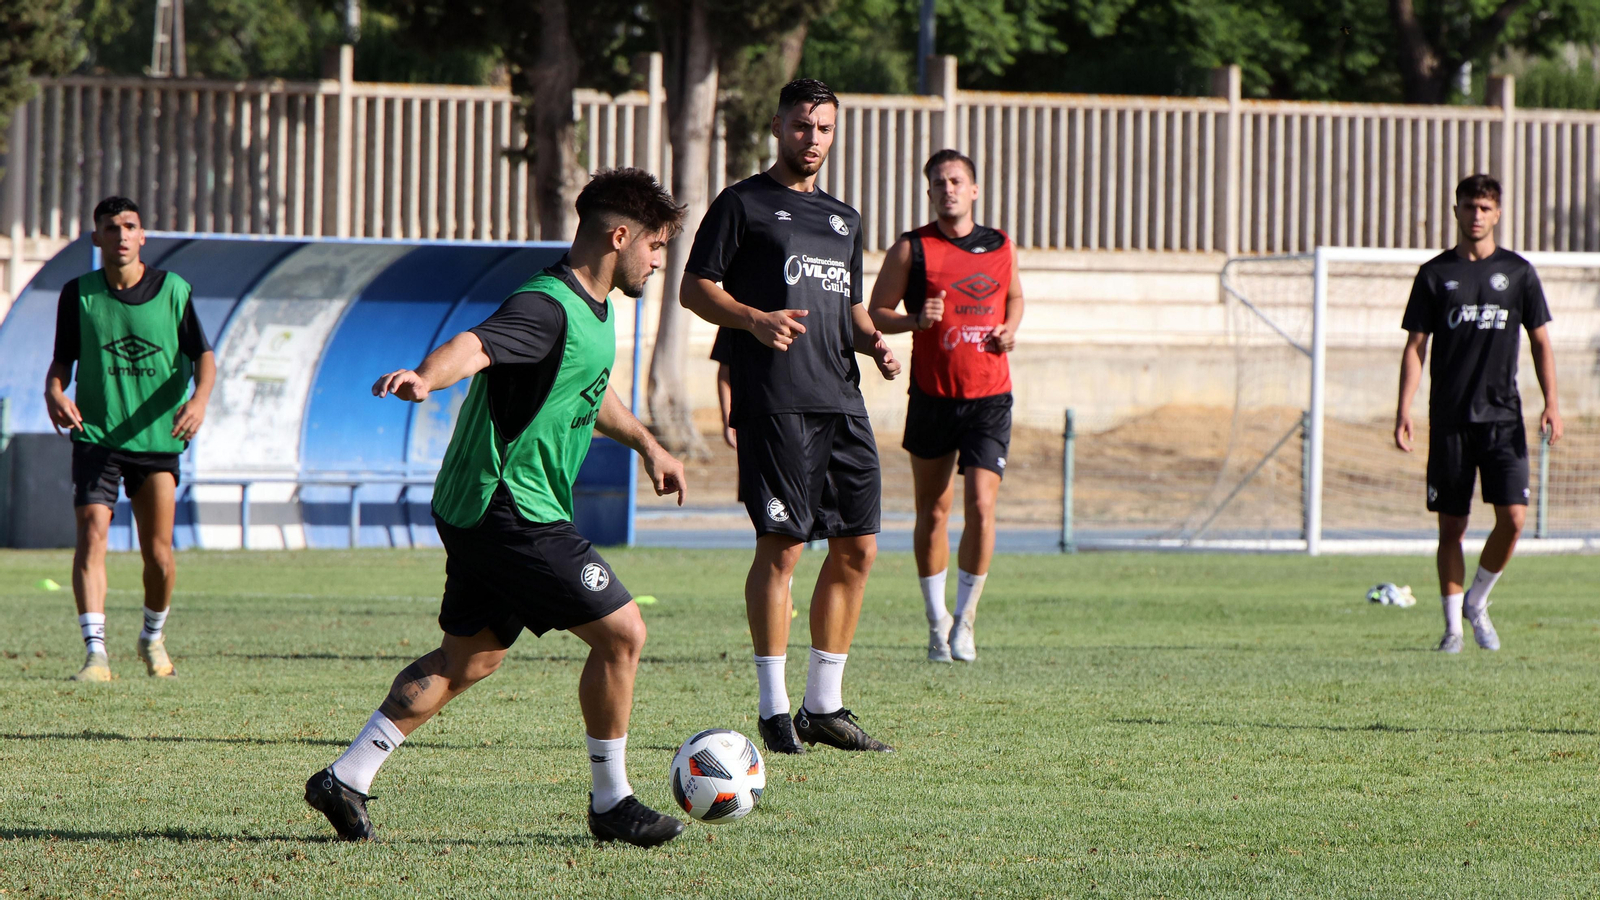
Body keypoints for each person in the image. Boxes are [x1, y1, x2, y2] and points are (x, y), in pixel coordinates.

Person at [303, 168, 691, 847]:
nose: (658, 262)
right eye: (655, 247)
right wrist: (426, 376)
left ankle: (346, 777)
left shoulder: (595, 311)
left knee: (470, 659)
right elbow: (475, 346)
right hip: (509, 506)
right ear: (620, 236)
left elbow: (590, 394)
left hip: (488, 506)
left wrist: (649, 447)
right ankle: (612, 802)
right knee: (624, 632)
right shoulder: (545, 305)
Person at [680, 79, 902, 755]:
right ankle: (775, 711)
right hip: (774, 400)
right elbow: (694, 287)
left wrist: (881, 340)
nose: (814, 140)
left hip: (842, 397)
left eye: (825, 129)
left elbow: (847, 307)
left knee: (858, 547)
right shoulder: (742, 204)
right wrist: (753, 319)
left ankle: (823, 706)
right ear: (778, 127)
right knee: (783, 549)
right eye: (803, 127)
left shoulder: (844, 219)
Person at [44, 196, 216, 682]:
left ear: (143, 236)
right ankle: (95, 654)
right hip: (96, 435)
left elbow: (204, 355)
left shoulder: (173, 290)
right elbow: (62, 362)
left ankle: (152, 636)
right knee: (92, 534)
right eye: (110, 227)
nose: (120, 235)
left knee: (158, 555)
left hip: (158, 438)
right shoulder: (78, 294)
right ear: (96, 237)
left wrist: (199, 400)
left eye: (129, 226)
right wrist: (53, 391)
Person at [1395, 173, 1562, 654]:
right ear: (1456, 211)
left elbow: (1541, 341)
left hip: (1503, 417)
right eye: (1469, 206)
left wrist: (1552, 401)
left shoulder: (1520, 273)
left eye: (1486, 207)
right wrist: (1403, 408)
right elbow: (1416, 345)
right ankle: (1451, 630)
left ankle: (1477, 602)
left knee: (1513, 516)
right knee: (1452, 526)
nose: (1477, 215)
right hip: (1449, 419)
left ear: (1499, 212)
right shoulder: (1434, 274)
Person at [868, 150, 1023, 663]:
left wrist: (1010, 328)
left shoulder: (1001, 245)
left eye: (957, 181)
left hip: (989, 397)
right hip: (933, 396)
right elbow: (875, 314)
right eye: (939, 182)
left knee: (981, 504)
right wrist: (915, 321)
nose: (948, 189)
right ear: (929, 192)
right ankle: (937, 623)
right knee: (933, 512)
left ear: (974, 189)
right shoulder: (913, 249)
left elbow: (1014, 297)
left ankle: (967, 622)